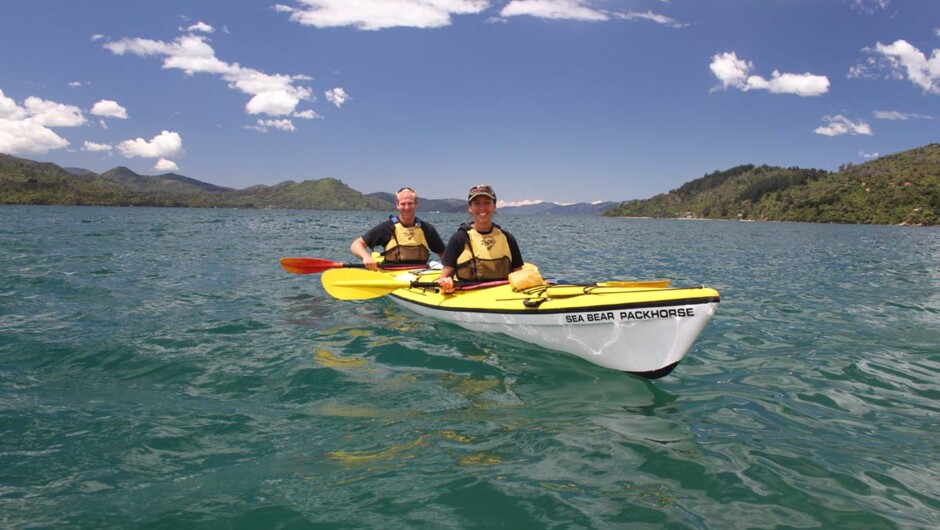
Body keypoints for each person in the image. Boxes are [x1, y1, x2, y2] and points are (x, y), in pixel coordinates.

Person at [437, 184, 524, 294]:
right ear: (470, 208)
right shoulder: (459, 239)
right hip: (469, 297)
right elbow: (444, 277)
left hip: (503, 295)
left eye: (487, 202)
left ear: (494, 206)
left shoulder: (508, 238)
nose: (482, 208)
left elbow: (519, 274)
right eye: (476, 203)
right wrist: (446, 282)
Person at [350, 187, 446, 271]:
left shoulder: (427, 229)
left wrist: (450, 271)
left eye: (410, 203)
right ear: (397, 205)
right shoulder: (386, 227)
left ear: (416, 204)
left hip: (420, 274)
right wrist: (366, 257)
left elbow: (443, 253)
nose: (407, 207)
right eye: (403, 204)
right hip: (393, 274)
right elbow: (356, 245)